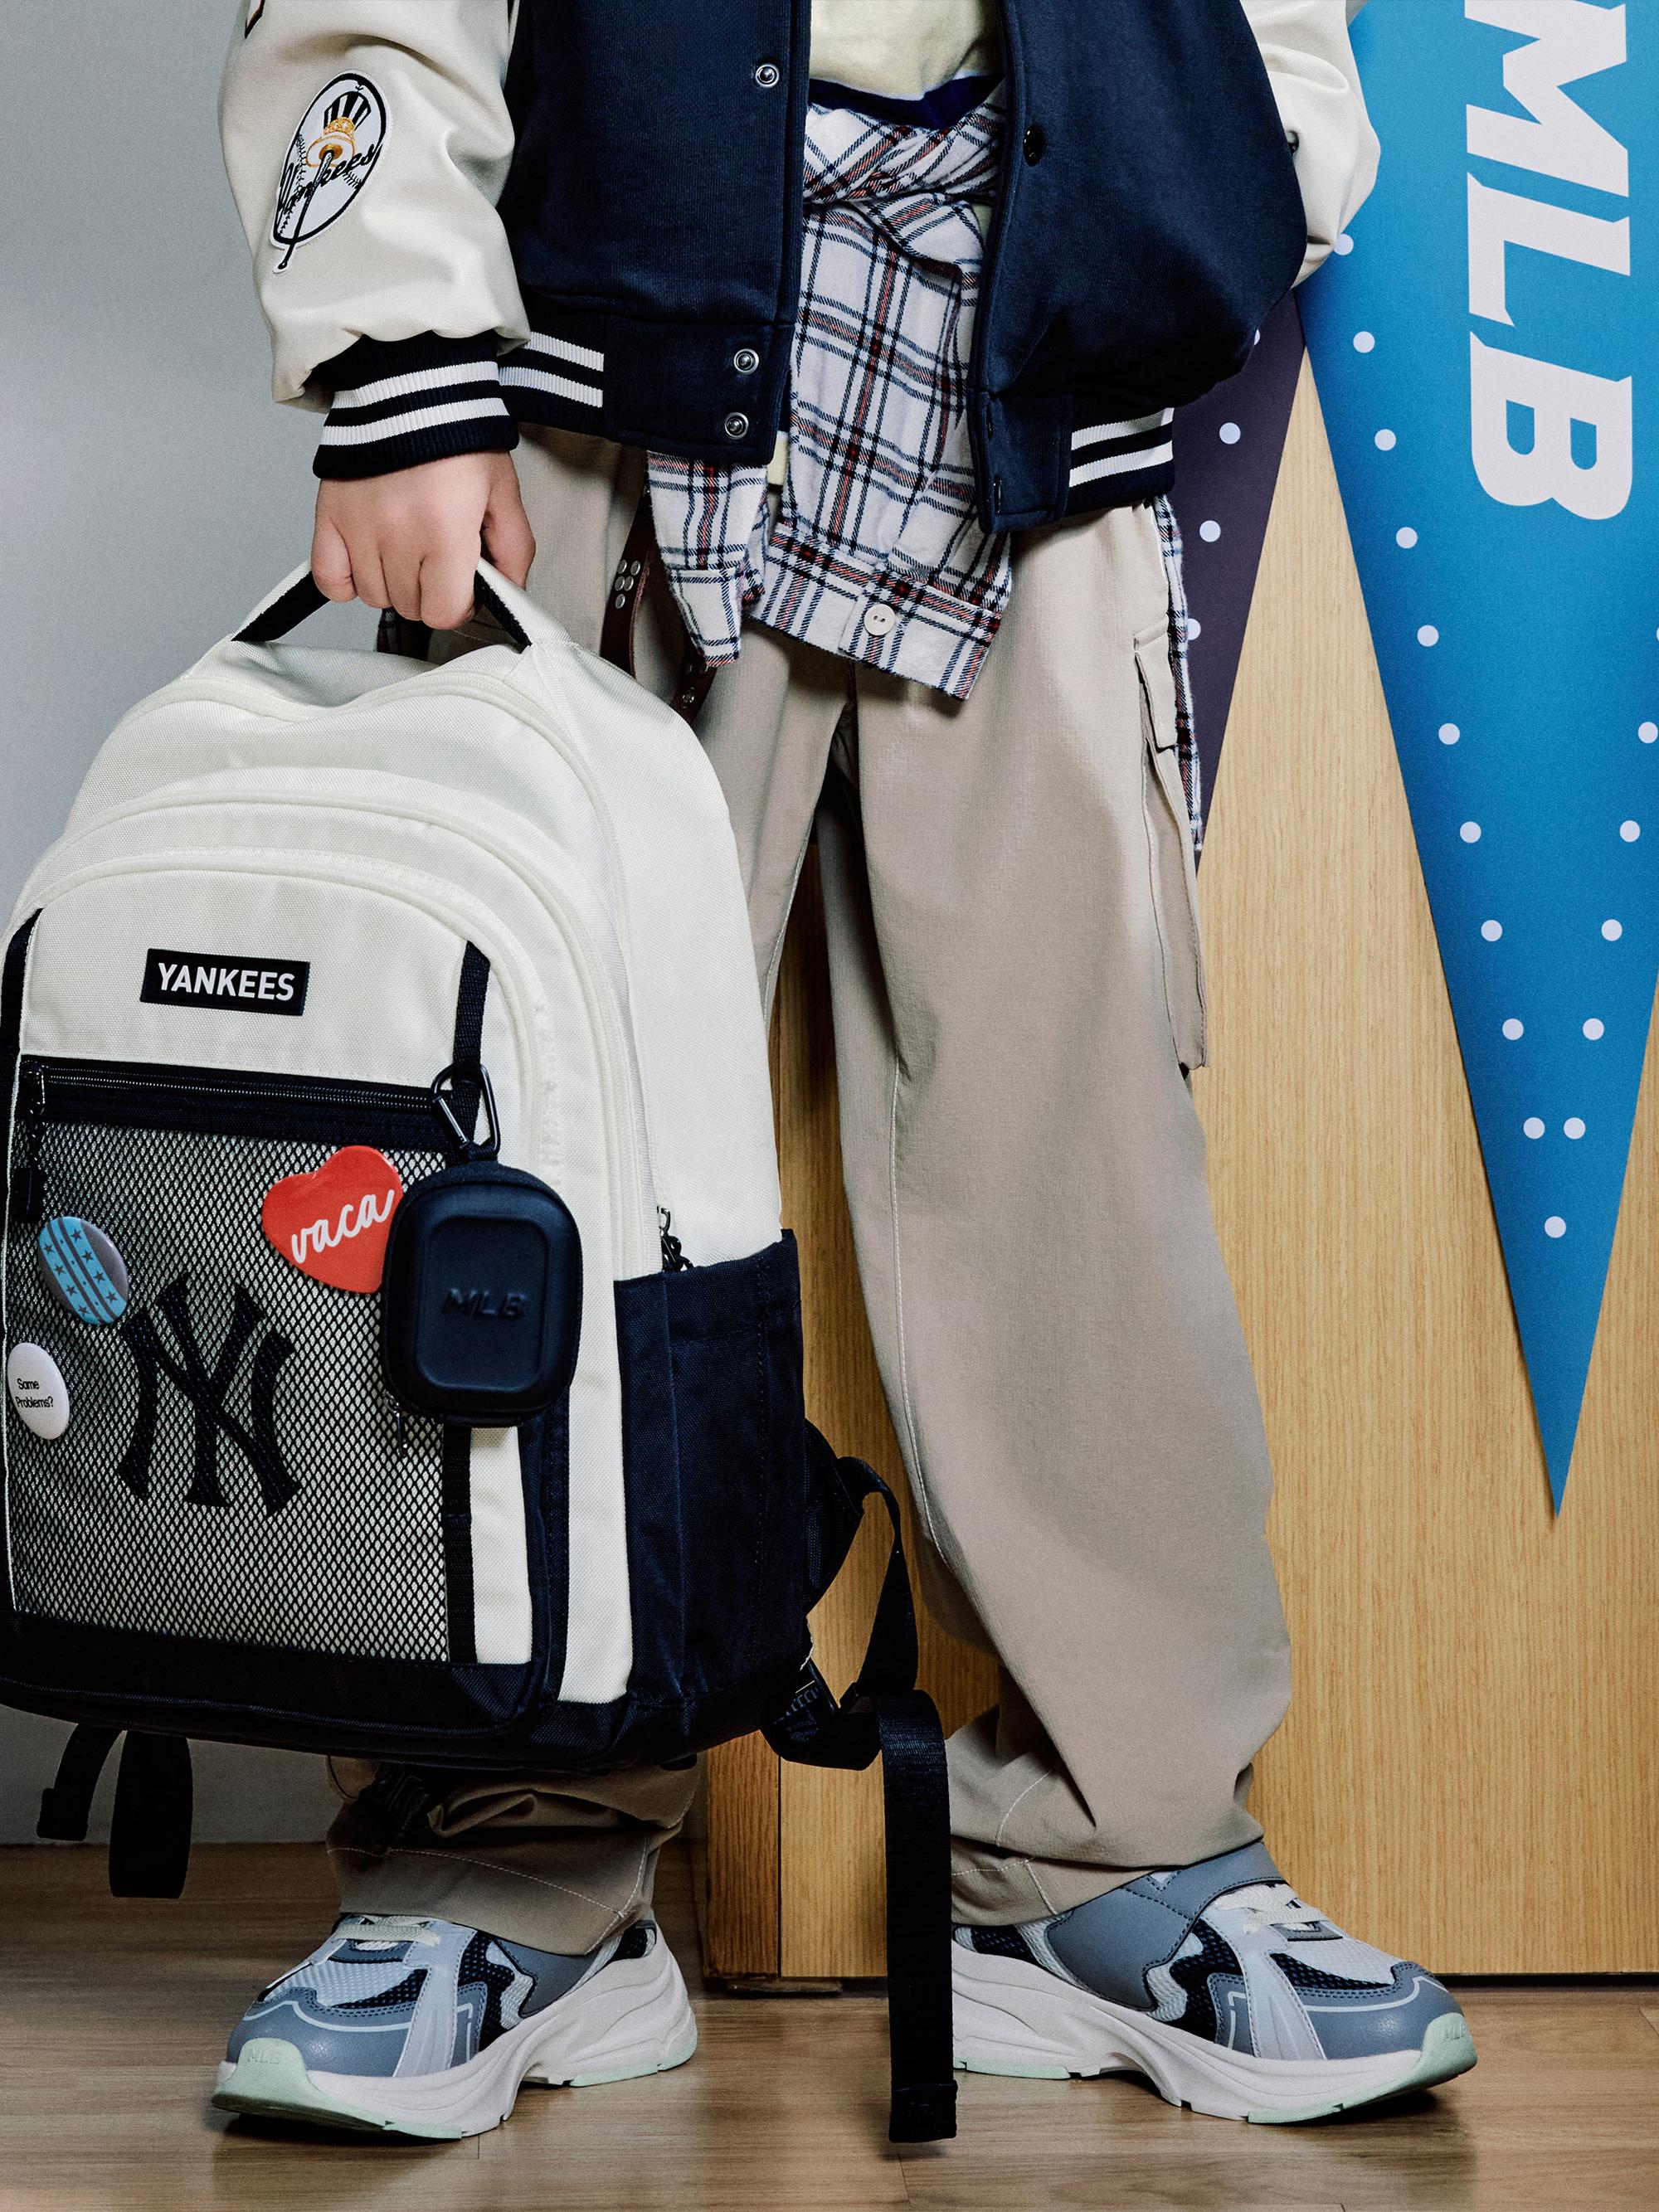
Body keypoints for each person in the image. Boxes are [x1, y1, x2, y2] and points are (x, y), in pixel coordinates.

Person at [214, 0, 1476, 2141]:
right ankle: (505, 1855)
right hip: (601, 389)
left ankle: (1106, 1850)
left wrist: (1225, 179)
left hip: (1028, 374)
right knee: (523, 1157)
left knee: (1076, 1156)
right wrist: (397, 352)